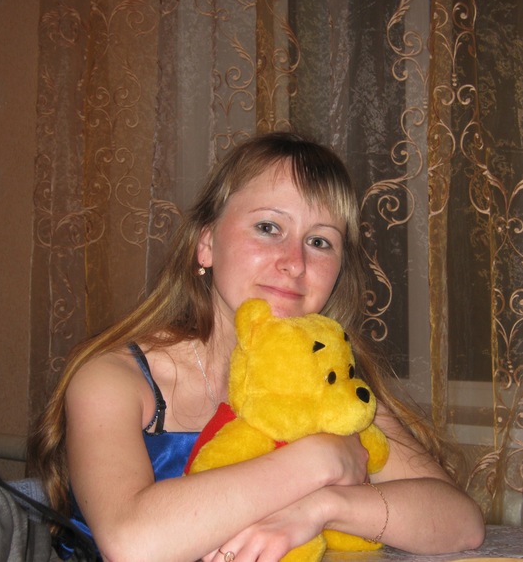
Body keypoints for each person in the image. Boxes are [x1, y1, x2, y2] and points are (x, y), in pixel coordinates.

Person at [29, 132, 485, 562]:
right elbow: (132, 542)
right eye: (268, 227)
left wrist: (323, 507)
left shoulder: (330, 382)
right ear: (206, 244)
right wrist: (320, 459)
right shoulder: (111, 379)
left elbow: (461, 522)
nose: (295, 263)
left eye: (320, 241)